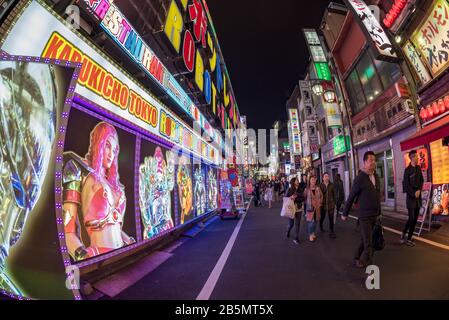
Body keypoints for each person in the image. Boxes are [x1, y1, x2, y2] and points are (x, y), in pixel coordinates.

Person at [342, 151, 381, 268]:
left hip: (375, 215)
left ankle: (356, 257)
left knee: (365, 240)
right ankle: (371, 273)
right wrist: (345, 213)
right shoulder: (360, 178)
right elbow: (351, 196)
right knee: (369, 244)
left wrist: (380, 213)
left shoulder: (376, 176)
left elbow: (377, 195)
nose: (373, 163)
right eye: (371, 160)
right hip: (364, 216)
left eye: (374, 160)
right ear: (364, 163)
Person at [401, 150, 424, 246]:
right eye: (416, 157)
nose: (418, 158)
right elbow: (406, 186)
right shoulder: (407, 170)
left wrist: (419, 190)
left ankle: (408, 237)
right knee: (411, 218)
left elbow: (422, 181)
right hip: (411, 198)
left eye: (418, 157)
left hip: (418, 198)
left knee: (415, 219)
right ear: (412, 158)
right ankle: (405, 236)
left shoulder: (418, 168)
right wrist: (414, 193)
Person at [303, 175, 323, 242]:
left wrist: (320, 202)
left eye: (314, 180)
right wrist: (308, 203)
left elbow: (321, 196)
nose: (313, 181)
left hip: (317, 208)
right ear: (309, 181)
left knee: (316, 221)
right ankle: (310, 234)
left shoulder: (318, 188)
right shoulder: (307, 189)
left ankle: (313, 232)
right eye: (312, 180)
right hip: (310, 208)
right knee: (311, 222)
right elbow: (304, 197)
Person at [286, 177, 305, 244]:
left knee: (297, 223)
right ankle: (288, 230)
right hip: (291, 208)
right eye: (296, 180)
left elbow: (303, 198)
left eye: (298, 180)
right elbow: (286, 198)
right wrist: (291, 198)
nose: (298, 181)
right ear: (293, 182)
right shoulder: (289, 189)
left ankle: (296, 238)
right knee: (291, 224)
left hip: (299, 208)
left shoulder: (300, 189)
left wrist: (297, 196)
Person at [320, 172, 337, 238]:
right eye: (325, 176)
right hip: (323, 205)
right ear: (323, 178)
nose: (327, 178)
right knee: (322, 217)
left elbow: (334, 194)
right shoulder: (320, 185)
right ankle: (321, 225)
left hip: (331, 204)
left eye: (327, 176)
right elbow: (319, 195)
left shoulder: (332, 185)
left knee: (331, 218)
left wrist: (335, 203)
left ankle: (331, 231)